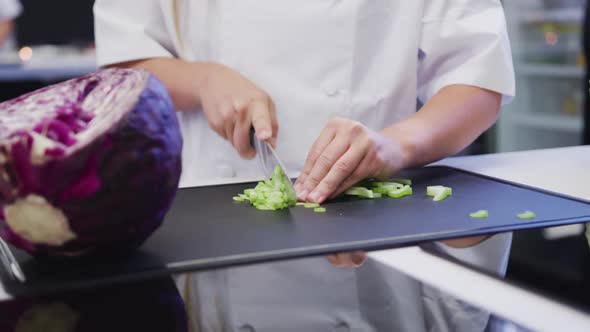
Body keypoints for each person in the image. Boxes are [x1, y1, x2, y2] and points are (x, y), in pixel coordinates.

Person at [94, 0, 515, 330]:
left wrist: (394, 145)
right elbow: (123, 64)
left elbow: (478, 76)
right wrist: (202, 80)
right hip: (210, 224)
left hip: (371, 231)